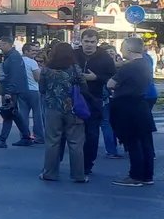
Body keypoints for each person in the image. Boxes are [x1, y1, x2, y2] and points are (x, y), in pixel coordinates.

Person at [107, 36, 155, 187]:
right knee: (145, 142)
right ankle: (147, 176)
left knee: (132, 142)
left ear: (129, 48)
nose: (121, 49)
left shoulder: (129, 67)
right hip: (141, 105)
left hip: (127, 107)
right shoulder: (145, 63)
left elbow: (110, 84)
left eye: (122, 46)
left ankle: (135, 176)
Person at [38, 42, 87, 183]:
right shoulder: (75, 68)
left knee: (52, 142)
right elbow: (84, 86)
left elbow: (42, 89)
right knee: (76, 143)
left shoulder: (46, 70)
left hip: (52, 108)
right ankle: (78, 175)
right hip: (73, 108)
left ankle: (50, 173)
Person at [75, 29, 117, 176]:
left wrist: (96, 78)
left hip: (94, 100)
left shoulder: (105, 57)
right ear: (81, 41)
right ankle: (75, 163)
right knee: (74, 134)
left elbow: (113, 77)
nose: (89, 45)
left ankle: (87, 164)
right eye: (86, 41)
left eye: (92, 42)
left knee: (92, 134)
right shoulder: (74, 55)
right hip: (75, 99)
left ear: (97, 42)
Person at [0, 37, 33, 148]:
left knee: (8, 113)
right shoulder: (11, 56)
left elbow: (14, 75)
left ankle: (2, 139)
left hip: (11, 90)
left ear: (9, 44)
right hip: (12, 88)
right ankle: (25, 136)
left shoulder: (13, 57)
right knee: (14, 113)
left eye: (2, 44)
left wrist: (9, 91)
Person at [18, 41, 45, 145]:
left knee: (23, 114)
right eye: (32, 51)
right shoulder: (32, 62)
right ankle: (39, 136)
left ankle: (25, 136)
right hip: (33, 90)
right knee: (37, 114)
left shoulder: (18, 61)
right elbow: (37, 78)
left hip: (22, 90)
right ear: (26, 51)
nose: (35, 52)